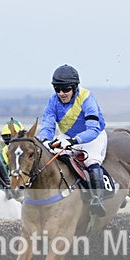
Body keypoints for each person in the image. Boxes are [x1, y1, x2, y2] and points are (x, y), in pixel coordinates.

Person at [37, 64, 108, 217]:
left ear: (75, 87)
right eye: (57, 89)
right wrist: (45, 140)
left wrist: (74, 141)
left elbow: (93, 129)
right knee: (51, 156)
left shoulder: (87, 98)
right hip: (67, 136)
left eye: (66, 89)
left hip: (92, 137)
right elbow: (48, 124)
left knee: (91, 161)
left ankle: (97, 199)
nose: (61, 93)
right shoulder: (52, 101)